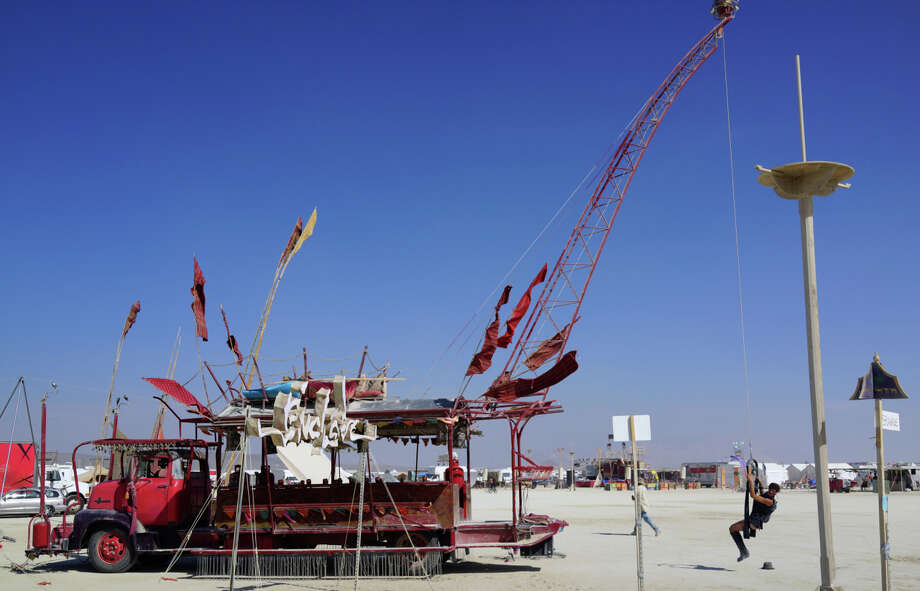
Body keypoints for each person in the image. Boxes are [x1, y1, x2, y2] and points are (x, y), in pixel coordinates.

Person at [729, 465, 780, 561]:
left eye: (773, 491)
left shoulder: (770, 501)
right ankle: (744, 551)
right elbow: (761, 493)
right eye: (770, 489)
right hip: (753, 519)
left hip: (755, 522)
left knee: (732, 529)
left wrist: (751, 481)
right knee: (732, 529)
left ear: (776, 492)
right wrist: (759, 483)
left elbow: (753, 495)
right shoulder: (766, 495)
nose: (771, 491)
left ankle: (744, 552)